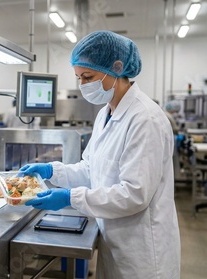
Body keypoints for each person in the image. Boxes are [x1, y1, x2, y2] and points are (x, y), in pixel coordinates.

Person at [20, 31, 180, 278]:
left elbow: (134, 194)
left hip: (143, 253)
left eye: (88, 76)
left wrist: (70, 198)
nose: (83, 85)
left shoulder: (145, 119)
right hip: (115, 241)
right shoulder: (105, 113)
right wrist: (53, 170)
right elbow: (90, 168)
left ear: (116, 69)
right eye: (78, 78)